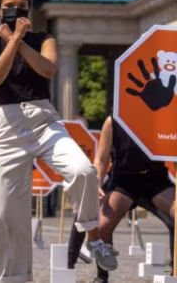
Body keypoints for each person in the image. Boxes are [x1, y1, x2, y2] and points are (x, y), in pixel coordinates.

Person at [0, 0, 117, 282]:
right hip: (9, 127)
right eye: (10, 6)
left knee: (83, 171)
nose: (16, 11)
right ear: (0, 10)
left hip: (43, 120)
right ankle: (14, 278)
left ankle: (93, 237)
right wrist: (9, 42)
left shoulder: (43, 39)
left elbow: (48, 69)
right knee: (2, 215)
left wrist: (19, 40)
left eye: (22, 6)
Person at [66, 112, 174, 282]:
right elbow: (101, 160)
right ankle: (102, 275)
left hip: (156, 181)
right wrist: (97, 185)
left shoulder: (161, 118)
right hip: (123, 182)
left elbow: (173, 154)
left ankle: (175, 268)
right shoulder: (112, 121)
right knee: (102, 226)